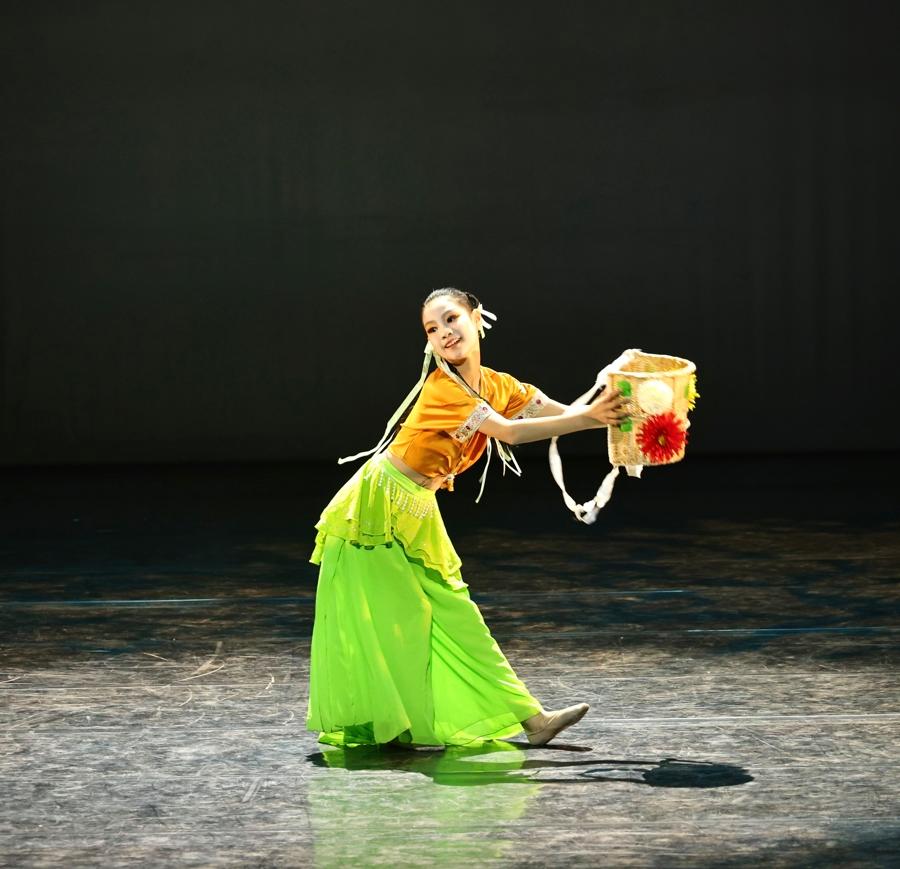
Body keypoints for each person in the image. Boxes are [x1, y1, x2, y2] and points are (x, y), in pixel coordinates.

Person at [306, 287, 626, 749]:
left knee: (458, 614)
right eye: (432, 329)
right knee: (389, 620)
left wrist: (618, 414)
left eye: (451, 319)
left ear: (478, 318)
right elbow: (511, 433)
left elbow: (568, 415)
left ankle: (534, 721)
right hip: (374, 508)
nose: (444, 333)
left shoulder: (498, 386)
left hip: (417, 510)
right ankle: (383, 721)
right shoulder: (444, 388)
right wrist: (590, 417)